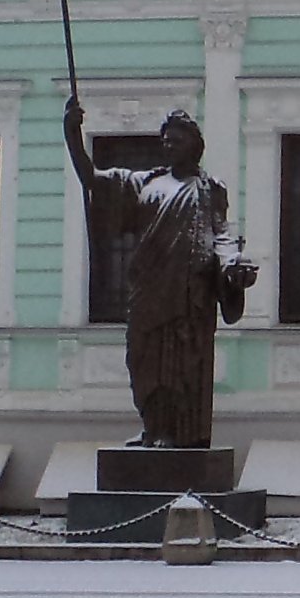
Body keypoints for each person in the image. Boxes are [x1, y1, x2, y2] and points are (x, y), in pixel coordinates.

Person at [63, 97, 258, 448]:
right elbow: (90, 176)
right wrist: (72, 133)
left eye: (177, 139)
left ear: (194, 146)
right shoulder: (143, 182)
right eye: (166, 139)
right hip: (148, 291)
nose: (169, 145)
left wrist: (233, 267)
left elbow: (221, 234)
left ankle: (172, 433)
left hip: (186, 295)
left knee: (179, 365)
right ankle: (151, 426)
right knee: (141, 359)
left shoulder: (209, 189)